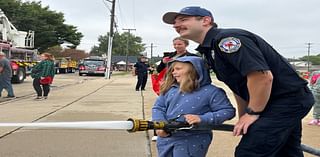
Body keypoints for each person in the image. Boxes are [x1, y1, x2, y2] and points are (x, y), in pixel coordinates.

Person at [162, 6, 314, 157]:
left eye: (183, 19)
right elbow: (238, 86)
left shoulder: (227, 40)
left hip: (286, 101)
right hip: (270, 102)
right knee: (286, 151)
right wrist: (244, 115)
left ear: (206, 21)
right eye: (174, 23)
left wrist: (253, 112)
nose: (176, 25)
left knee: (250, 152)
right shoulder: (209, 50)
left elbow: (262, 77)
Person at [152, 56, 235, 157]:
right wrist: (160, 125)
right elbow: (158, 108)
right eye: (173, 69)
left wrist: (202, 118)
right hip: (166, 138)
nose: (173, 72)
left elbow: (227, 111)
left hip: (194, 139)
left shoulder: (212, 92)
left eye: (178, 69)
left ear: (194, 70)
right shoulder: (170, 90)